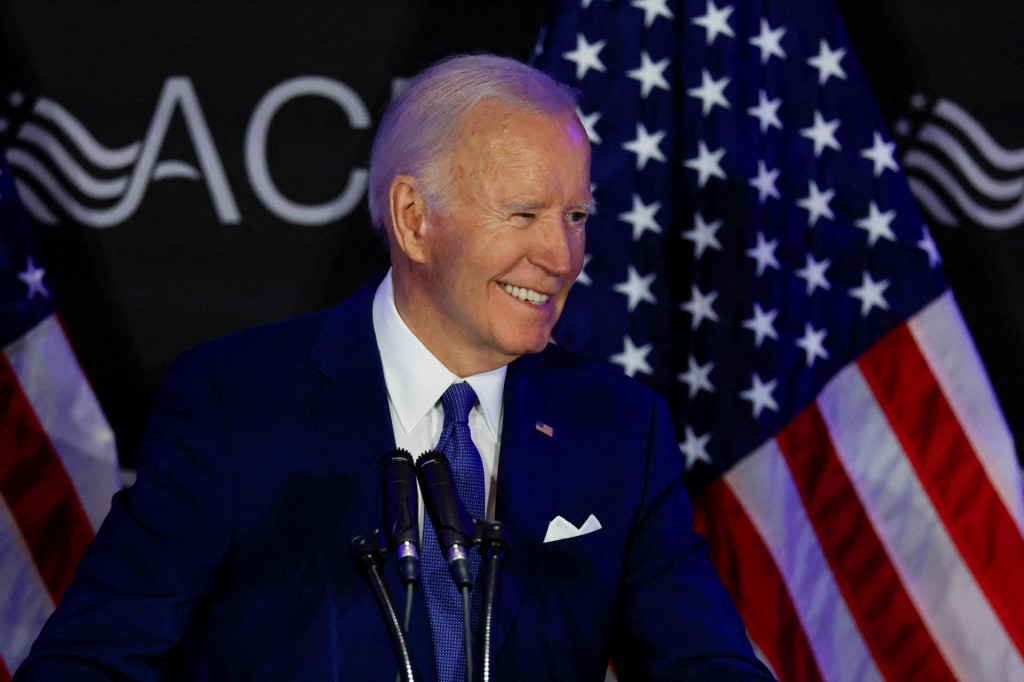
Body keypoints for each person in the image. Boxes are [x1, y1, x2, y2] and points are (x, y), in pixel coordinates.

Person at [15, 54, 775, 681]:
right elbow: (90, 660)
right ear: (414, 219)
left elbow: (703, 663)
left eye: (575, 217)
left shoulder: (617, 427)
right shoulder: (236, 404)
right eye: (524, 214)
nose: (561, 256)